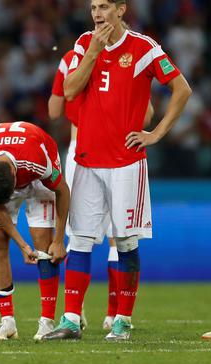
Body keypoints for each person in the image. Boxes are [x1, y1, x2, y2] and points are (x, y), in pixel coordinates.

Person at [43, 0, 192, 341]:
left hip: (126, 161)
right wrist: (93, 52)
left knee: (125, 241)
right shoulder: (83, 43)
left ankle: (123, 319)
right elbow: (69, 92)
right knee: (79, 239)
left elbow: (182, 89)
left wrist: (155, 133)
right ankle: (70, 319)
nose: (97, 13)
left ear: (121, 10)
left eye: (104, 7)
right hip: (88, 159)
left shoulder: (143, 48)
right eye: (93, 7)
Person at [48, 49, 154, 330]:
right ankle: (112, 314)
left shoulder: (70, 58)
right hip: (115, 150)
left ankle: (76, 310)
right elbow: (148, 114)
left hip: (78, 149)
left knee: (79, 236)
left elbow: (54, 110)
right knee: (115, 237)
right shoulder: (129, 62)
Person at [0, 121, 69, 341]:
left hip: (38, 173)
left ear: (14, 174)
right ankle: (7, 323)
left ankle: (47, 323)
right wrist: (21, 244)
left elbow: (62, 191)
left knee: (44, 245)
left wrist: (58, 240)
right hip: (5, 172)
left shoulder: (36, 161)